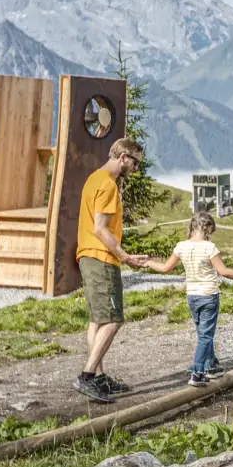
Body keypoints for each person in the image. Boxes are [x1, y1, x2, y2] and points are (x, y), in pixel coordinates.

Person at [146, 211, 233, 387]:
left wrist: (148, 263)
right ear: (206, 227)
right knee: (206, 336)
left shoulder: (181, 246)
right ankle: (197, 373)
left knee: (202, 334)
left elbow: (165, 268)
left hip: (191, 296)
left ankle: (210, 366)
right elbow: (223, 271)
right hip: (208, 296)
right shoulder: (209, 247)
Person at [73, 137, 151, 403]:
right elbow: (100, 228)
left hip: (88, 254)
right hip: (102, 257)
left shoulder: (94, 178)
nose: (136, 168)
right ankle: (86, 376)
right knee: (114, 319)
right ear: (123, 157)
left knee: (98, 319)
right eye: (135, 162)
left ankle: (99, 378)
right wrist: (124, 255)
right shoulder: (107, 185)